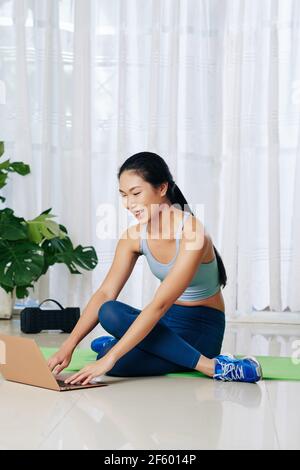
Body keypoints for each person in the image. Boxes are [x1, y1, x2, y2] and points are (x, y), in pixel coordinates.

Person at [47, 151, 262, 385]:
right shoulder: (134, 237)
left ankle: (213, 366)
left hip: (201, 327)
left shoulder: (192, 234)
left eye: (136, 193)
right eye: (123, 195)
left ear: (161, 188)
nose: (129, 204)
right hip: (165, 324)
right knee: (109, 310)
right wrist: (68, 346)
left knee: (114, 362)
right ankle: (124, 346)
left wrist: (110, 358)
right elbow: (106, 293)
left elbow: (159, 305)